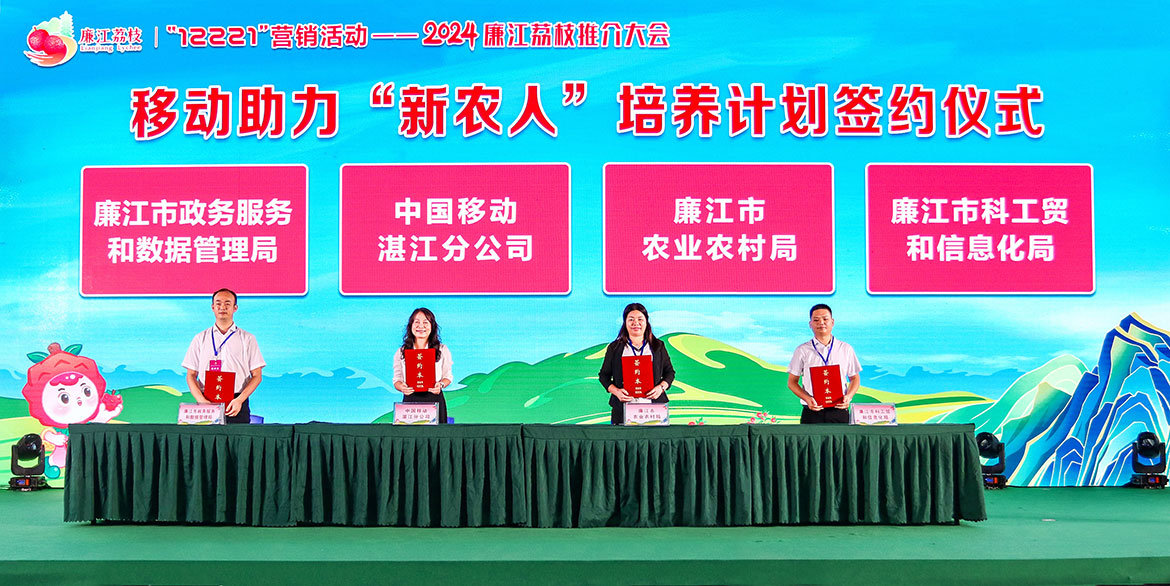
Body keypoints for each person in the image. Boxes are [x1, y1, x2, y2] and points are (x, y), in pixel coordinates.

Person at [182, 288, 265, 424]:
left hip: (236, 403)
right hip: (206, 401)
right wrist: (201, 401)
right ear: (213, 307)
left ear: (235, 308)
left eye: (227, 304)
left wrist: (240, 400)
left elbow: (257, 375)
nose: (222, 307)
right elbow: (191, 374)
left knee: (237, 437)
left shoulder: (247, 338)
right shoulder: (200, 338)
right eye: (218, 303)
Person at [598, 303, 676, 425]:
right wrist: (616, 391)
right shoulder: (615, 348)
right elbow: (604, 375)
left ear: (646, 322)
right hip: (623, 408)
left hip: (654, 409)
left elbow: (669, 372)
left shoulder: (658, 346)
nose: (636, 323)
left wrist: (661, 388)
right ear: (625, 323)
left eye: (640, 319)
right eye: (631, 319)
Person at [787, 303, 861, 424]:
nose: (821, 323)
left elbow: (855, 378)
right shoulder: (802, 350)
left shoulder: (845, 348)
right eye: (816, 320)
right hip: (812, 411)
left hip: (839, 410)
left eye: (825, 319)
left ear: (832, 322)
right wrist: (807, 399)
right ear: (810, 324)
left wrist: (849, 396)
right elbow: (792, 382)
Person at [392, 307, 454, 424]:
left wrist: (440, 385)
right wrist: (402, 387)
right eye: (416, 322)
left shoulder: (442, 349)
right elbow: (397, 379)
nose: (421, 326)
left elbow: (448, 376)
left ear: (432, 326)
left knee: (436, 434)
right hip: (410, 399)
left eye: (425, 322)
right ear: (410, 326)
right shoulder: (401, 352)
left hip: (434, 398)